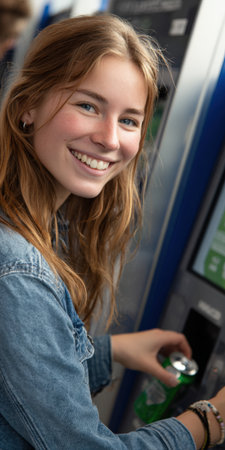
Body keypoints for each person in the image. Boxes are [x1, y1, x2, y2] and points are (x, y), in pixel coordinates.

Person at [0, 13, 224, 449]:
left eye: (129, 120)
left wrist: (112, 351)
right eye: (88, 106)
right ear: (29, 105)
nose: (109, 139)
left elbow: (23, 384)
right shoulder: (18, 272)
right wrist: (210, 418)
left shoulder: (31, 233)